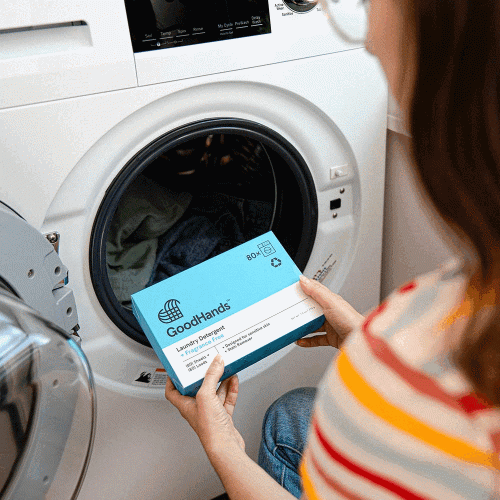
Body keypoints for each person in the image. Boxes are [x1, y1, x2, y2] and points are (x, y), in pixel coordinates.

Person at [165, 0, 500, 497]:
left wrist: (222, 448)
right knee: (292, 413)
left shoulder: (394, 373)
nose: (363, 36)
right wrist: (363, 337)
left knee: (288, 426)